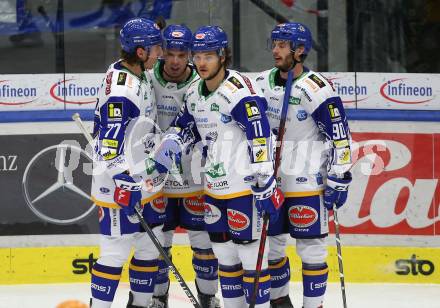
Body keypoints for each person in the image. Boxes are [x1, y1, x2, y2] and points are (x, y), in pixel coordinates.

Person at [153, 25, 284, 308]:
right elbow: (185, 126)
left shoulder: (239, 91)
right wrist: (170, 146)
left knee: (251, 260)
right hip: (213, 191)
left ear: (223, 56)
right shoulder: (194, 94)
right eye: (198, 56)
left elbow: (260, 136)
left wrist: (265, 182)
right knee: (225, 258)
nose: (201, 63)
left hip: (243, 191)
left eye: (209, 56)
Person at [255, 22, 352, 308]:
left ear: (299, 50)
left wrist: (339, 177)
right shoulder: (260, 83)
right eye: (274, 44)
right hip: (270, 184)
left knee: (311, 251)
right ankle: (280, 301)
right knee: (272, 248)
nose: (275, 50)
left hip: (306, 183)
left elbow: (340, 137)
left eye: (282, 45)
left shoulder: (318, 89)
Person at [90, 17, 165, 308]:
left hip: (143, 179)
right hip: (118, 185)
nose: (160, 53)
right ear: (141, 51)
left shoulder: (135, 71)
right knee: (114, 254)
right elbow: (109, 147)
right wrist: (123, 180)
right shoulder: (123, 91)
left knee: (148, 250)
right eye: (155, 48)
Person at [147, 24, 220, 308]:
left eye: (181, 54)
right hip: (158, 178)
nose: (175, 61)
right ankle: (157, 298)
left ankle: (208, 297)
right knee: (158, 242)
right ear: (161, 51)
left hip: (195, 178)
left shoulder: (201, 82)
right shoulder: (146, 77)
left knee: (203, 244)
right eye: (170, 53)